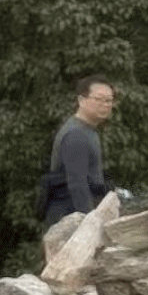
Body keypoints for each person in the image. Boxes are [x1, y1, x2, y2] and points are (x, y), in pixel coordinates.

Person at [41, 74, 116, 226]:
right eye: (99, 99)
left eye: (108, 100)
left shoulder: (88, 131)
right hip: (69, 218)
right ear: (81, 100)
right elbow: (77, 185)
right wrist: (90, 224)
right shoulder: (76, 134)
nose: (105, 105)